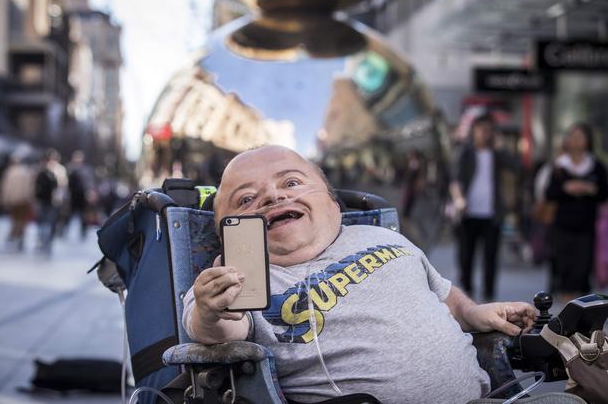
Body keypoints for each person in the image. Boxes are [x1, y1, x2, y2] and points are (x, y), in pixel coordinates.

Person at [183, 145, 535, 404]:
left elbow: (441, 292)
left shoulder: (383, 237)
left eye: (291, 182)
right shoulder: (229, 279)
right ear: (224, 231)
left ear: (333, 204)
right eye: (246, 200)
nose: (273, 196)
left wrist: (473, 313)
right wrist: (212, 311)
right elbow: (217, 330)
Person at [450, 114, 518, 301]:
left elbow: (517, 168)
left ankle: (489, 294)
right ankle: (467, 293)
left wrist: (502, 149)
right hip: (468, 213)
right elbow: (455, 180)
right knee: (466, 257)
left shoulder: (497, 154)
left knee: (490, 257)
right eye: (481, 129)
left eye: (489, 130)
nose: (485, 134)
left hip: (492, 215)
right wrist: (459, 199)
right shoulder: (465, 152)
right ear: (474, 131)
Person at [546, 123, 608, 301]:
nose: (575, 140)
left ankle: (580, 301)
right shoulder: (559, 167)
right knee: (563, 263)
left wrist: (589, 189)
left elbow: (603, 193)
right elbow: (550, 193)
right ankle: (566, 301)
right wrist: (567, 188)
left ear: (588, 141)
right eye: (572, 136)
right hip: (563, 224)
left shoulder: (596, 166)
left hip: (586, 225)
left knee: (582, 265)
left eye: (580, 136)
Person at [0, 153, 35, 251]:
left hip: (13, 200)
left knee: (15, 220)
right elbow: (30, 188)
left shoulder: (10, 172)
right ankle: (19, 238)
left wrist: (5, 199)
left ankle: (13, 238)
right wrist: (29, 199)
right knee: (22, 221)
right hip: (23, 200)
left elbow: (6, 188)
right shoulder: (27, 172)